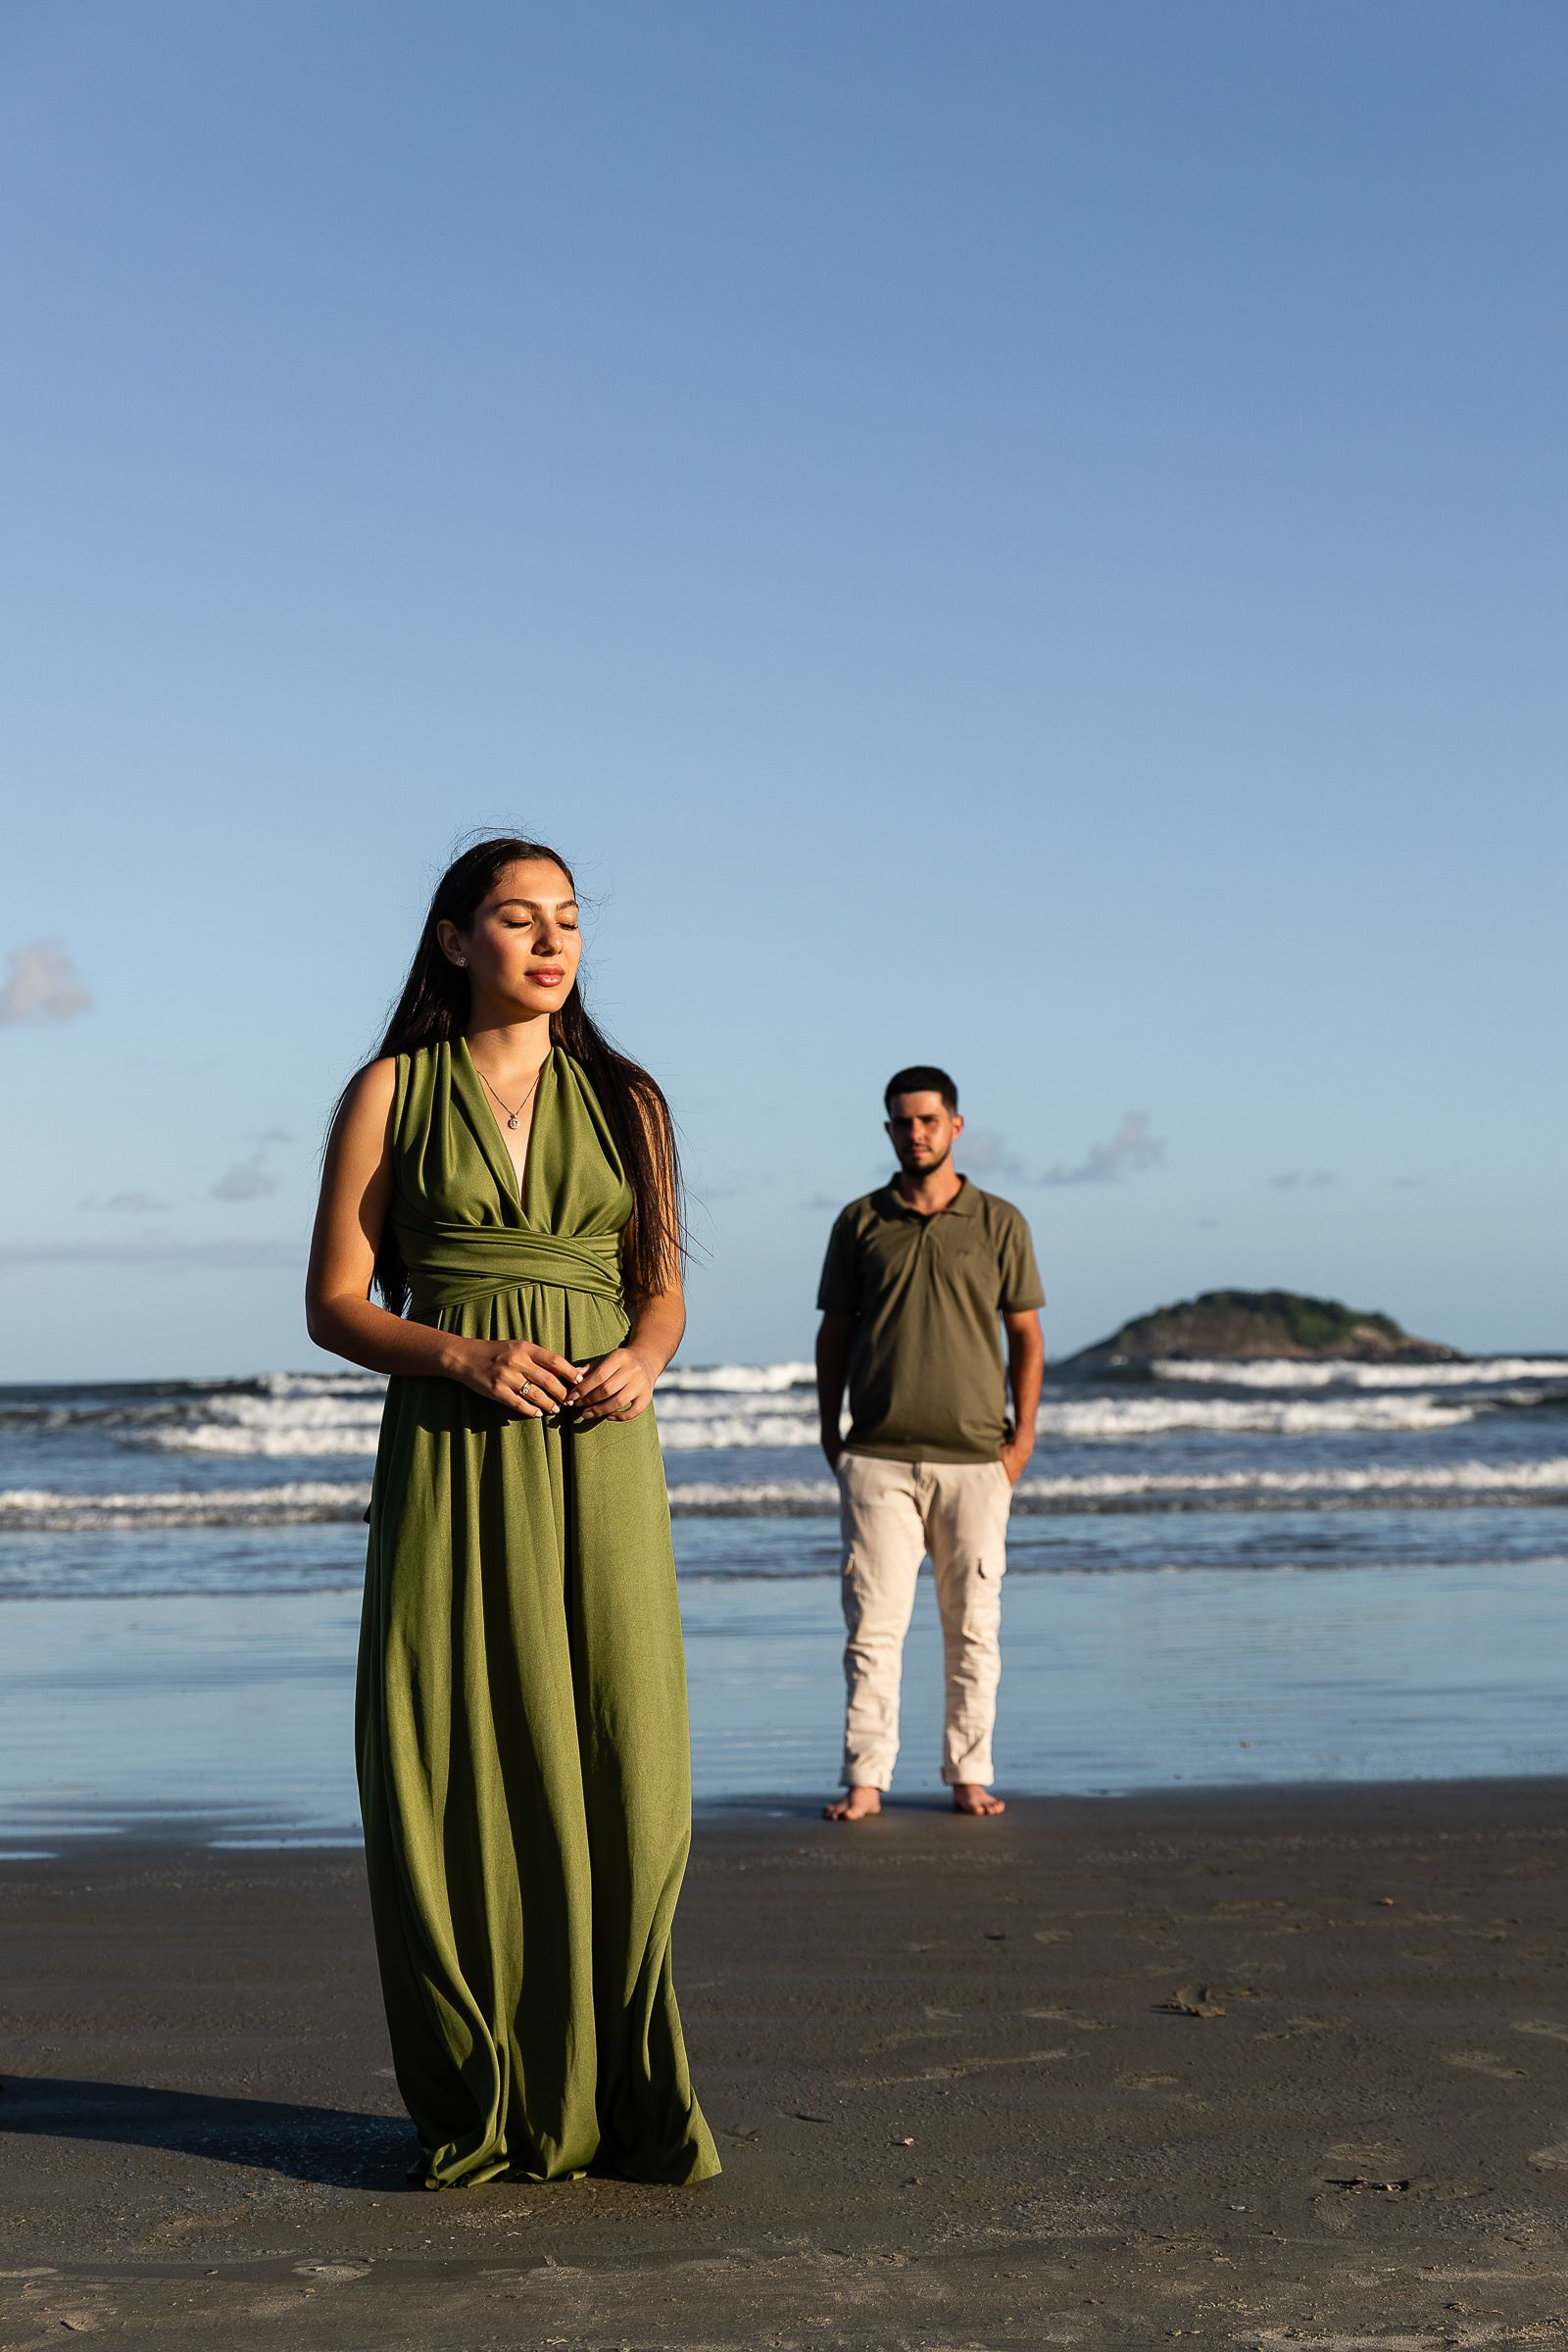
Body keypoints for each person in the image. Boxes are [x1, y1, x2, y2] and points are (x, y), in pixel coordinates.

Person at [305, 835, 718, 2188]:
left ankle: (621, 2083)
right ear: (451, 939)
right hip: (449, 1446)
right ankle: (484, 2086)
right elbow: (338, 1304)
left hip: (602, 1450)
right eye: (518, 918)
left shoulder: (629, 1098)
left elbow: (655, 1285)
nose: (551, 943)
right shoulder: (390, 1091)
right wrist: (462, 1355)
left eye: (569, 921)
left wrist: (645, 1360)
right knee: (451, 1748)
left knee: (622, 1748)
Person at [815, 1066, 1045, 1823]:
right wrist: (832, 1434)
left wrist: (1021, 1443)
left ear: (955, 1126)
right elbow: (835, 1335)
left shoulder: (1000, 1222)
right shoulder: (859, 1222)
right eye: (902, 1123)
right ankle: (865, 1780)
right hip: (877, 1458)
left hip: (977, 1461)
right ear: (889, 1131)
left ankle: (968, 1773)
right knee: (873, 1631)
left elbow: (1026, 1338)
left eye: (928, 1121)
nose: (916, 1133)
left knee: (974, 1628)